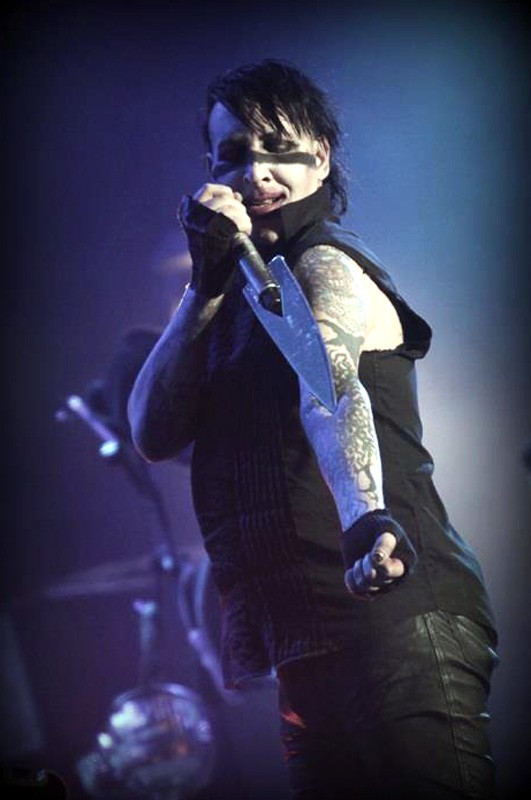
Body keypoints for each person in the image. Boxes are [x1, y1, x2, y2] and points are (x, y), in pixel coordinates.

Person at [128, 59, 499, 800]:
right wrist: (204, 284)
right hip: (306, 643)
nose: (257, 172)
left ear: (320, 157)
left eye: (278, 148)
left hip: (393, 627)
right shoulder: (229, 294)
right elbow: (151, 431)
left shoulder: (323, 263)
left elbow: (328, 387)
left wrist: (364, 518)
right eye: (234, 154)